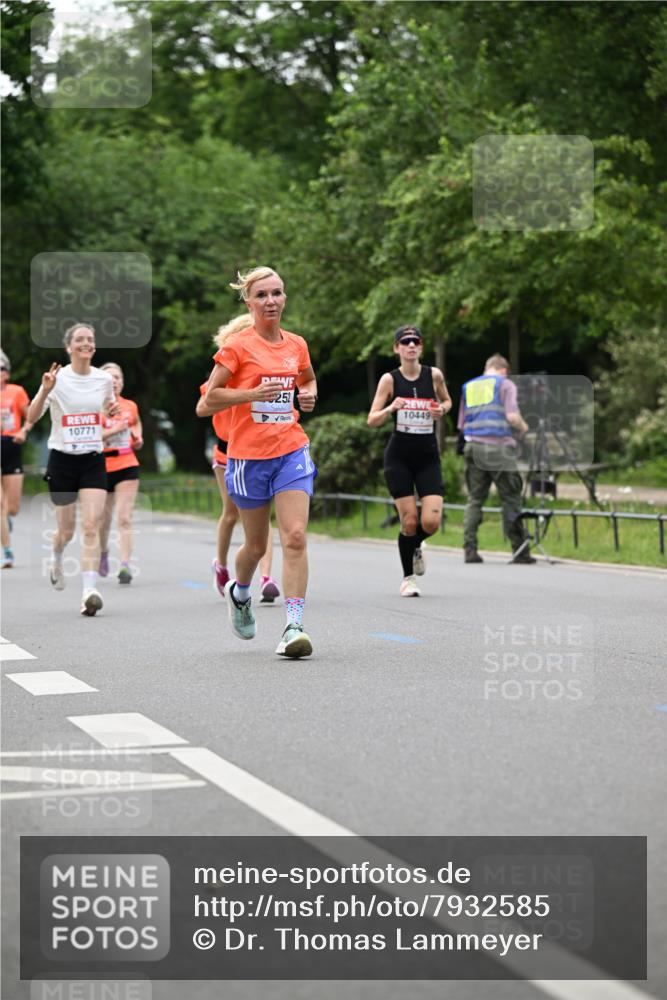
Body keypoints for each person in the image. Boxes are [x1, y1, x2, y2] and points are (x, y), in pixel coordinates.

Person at [199, 266, 317, 658]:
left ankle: (293, 625)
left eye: (277, 293)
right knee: (255, 545)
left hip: (291, 450)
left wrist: (308, 395)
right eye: (262, 295)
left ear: (285, 298)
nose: (271, 301)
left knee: (295, 537)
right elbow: (206, 402)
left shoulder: (296, 344)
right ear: (249, 303)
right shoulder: (237, 347)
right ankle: (241, 591)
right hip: (248, 459)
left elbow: (307, 379)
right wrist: (249, 394)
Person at [26, 323, 116, 615]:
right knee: (66, 530)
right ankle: (56, 554)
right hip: (62, 459)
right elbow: (32, 415)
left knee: (91, 525)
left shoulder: (103, 379)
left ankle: (89, 590)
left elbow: (108, 407)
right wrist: (45, 391)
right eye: (79, 340)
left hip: (92, 458)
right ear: (68, 347)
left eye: (90, 339)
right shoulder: (57, 378)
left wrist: (111, 414)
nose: (86, 343)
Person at [198, 325, 280, 603]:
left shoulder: (261, 372)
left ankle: (267, 577)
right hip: (227, 453)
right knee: (231, 513)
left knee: (263, 513)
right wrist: (238, 396)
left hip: (258, 450)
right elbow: (201, 407)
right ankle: (220, 564)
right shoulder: (223, 374)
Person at [368, 325, 452, 596]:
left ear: (421, 347)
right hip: (399, 457)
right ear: (397, 348)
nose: (411, 345)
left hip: (427, 456)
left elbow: (448, 401)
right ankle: (408, 578)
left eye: (416, 341)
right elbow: (372, 419)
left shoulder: (434, 375)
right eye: (406, 342)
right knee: (410, 521)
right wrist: (391, 407)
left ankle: (415, 545)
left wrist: (441, 410)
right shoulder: (389, 380)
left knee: (431, 522)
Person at [457, 353, 535, 564]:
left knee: (475, 499)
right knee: (511, 497)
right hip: (498, 449)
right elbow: (512, 416)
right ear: (503, 370)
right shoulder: (505, 384)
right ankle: (520, 551)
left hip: (473, 447)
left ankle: (469, 549)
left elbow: (462, 425)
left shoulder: (469, 386)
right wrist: (524, 428)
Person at [98, 363, 142, 585]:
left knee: (124, 518)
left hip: (127, 463)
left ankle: (125, 565)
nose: (114, 380)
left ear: (122, 382)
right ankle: (103, 552)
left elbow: (136, 426)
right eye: (109, 377)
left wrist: (138, 437)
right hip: (101, 466)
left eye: (117, 377)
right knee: (102, 520)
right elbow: (92, 436)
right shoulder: (95, 406)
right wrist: (114, 430)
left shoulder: (130, 406)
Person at [1, 350, 33, 568]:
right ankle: (7, 551)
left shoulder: (17, 392)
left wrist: (24, 430)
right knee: (0, 507)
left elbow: (31, 414)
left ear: (7, 373)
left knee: (13, 507)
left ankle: (8, 518)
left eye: (1, 369)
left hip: (12, 446)